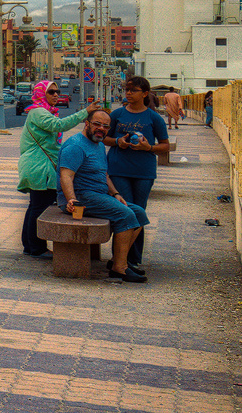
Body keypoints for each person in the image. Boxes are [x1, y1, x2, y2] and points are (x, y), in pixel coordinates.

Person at [59, 107, 150, 282]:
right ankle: (119, 269)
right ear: (86, 124)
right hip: (81, 197)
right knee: (126, 215)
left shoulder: (99, 144)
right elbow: (66, 176)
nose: (101, 129)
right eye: (97, 124)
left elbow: (104, 174)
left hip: (98, 195)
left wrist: (115, 193)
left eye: (106, 126)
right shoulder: (75, 146)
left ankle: (118, 260)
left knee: (139, 213)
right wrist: (71, 199)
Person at [15, 80, 92, 257]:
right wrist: (85, 113)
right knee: (40, 207)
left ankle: (30, 245)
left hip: (39, 164)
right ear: (41, 93)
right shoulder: (38, 112)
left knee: (35, 205)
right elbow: (58, 126)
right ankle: (37, 247)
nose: (56, 94)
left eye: (57, 91)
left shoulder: (45, 111)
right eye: (51, 92)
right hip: (39, 166)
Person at [106, 75, 169, 275]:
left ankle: (132, 259)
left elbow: (165, 146)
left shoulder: (154, 118)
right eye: (127, 90)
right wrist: (118, 142)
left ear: (145, 93)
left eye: (133, 90)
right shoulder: (117, 115)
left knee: (139, 213)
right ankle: (118, 259)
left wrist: (147, 147)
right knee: (125, 212)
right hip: (118, 169)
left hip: (143, 172)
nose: (129, 93)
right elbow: (103, 138)